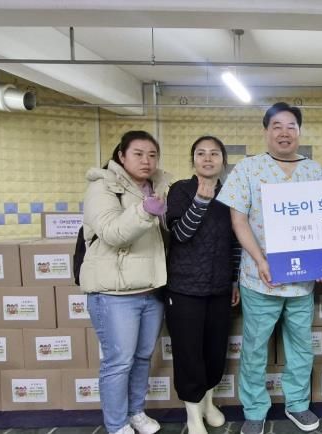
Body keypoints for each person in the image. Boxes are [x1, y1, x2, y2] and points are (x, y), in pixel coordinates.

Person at [217, 102, 322, 434]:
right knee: (254, 348)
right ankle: (254, 409)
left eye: (291, 126)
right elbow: (238, 221)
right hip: (259, 278)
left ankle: (298, 405)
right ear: (266, 131)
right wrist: (261, 261)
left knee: (301, 347)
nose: (284, 132)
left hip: (302, 282)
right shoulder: (248, 169)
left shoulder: (315, 172)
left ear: (299, 132)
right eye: (276, 126)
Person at [80, 130, 171, 434]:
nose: (146, 161)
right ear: (121, 156)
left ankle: (136, 412)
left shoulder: (160, 186)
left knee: (142, 358)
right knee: (119, 362)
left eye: (152, 155)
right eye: (138, 154)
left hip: (152, 289)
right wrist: (144, 210)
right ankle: (117, 424)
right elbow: (111, 232)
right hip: (114, 293)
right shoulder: (102, 186)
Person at [165, 136, 241, 434]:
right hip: (184, 289)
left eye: (214, 154)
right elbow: (180, 234)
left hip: (219, 288)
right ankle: (192, 414)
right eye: (201, 153)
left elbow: (235, 243)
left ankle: (208, 404)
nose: (208, 159)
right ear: (193, 159)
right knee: (189, 354)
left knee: (214, 351)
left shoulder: (231, 194)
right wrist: (200, 201)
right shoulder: (180, 190)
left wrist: (233, 280)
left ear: (223, 160)